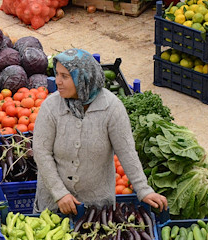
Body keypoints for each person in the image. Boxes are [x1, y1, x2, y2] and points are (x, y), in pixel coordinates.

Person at [33, 48, 167, 215]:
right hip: (54, 202)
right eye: (57, 74)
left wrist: (143, 189)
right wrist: (59, 193)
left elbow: (126, 152)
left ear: (83, 78)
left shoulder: (111, 108)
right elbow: (41, 151)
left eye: (65, 76)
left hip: (96, 206)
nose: (57, 81)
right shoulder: (51, 106)